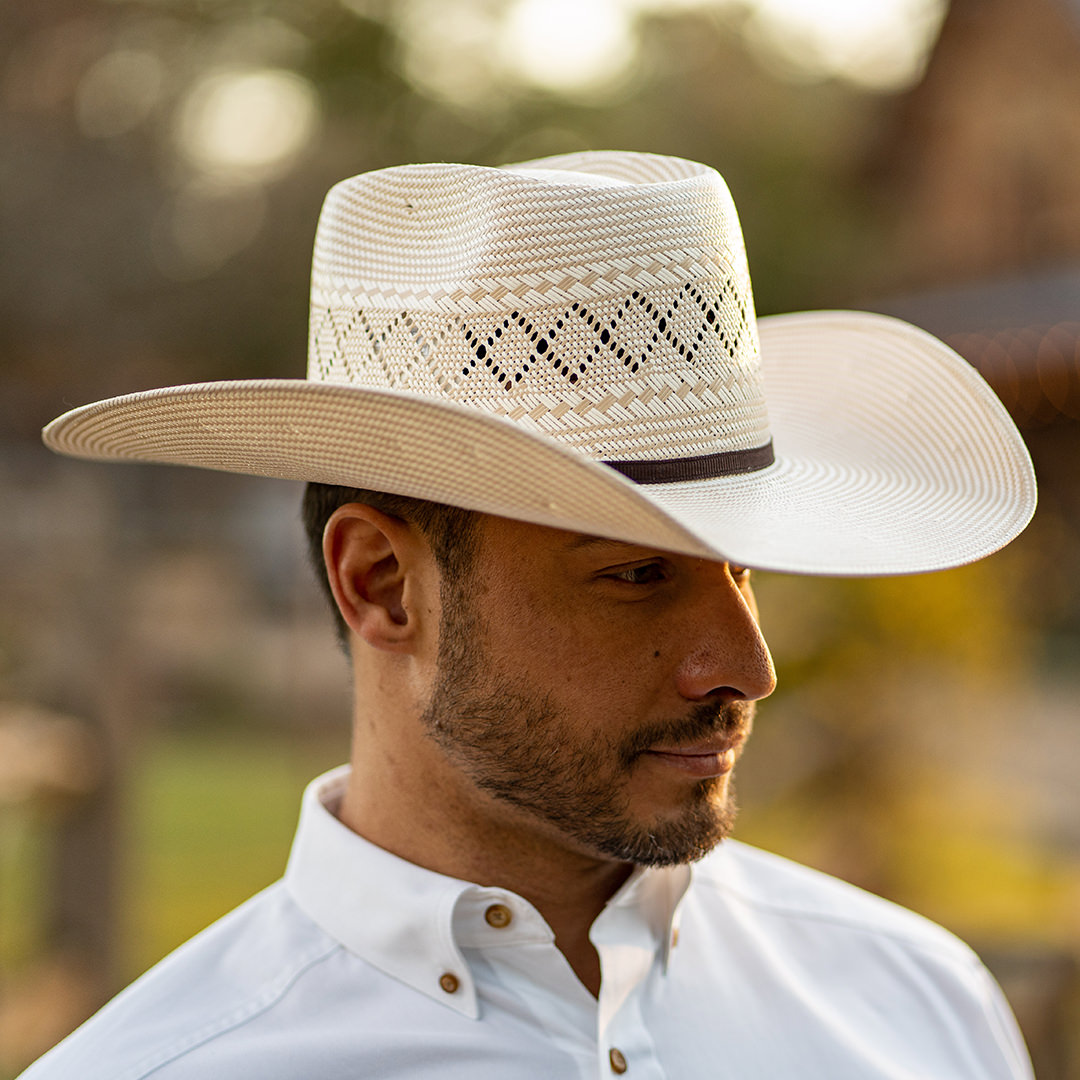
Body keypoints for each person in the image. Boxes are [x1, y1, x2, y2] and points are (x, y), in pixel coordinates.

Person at [24, 151, 1037, 1078]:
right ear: (380, 583)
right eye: (638, 574)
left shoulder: (919, 1007)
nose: (746, 665)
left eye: (743, 572)